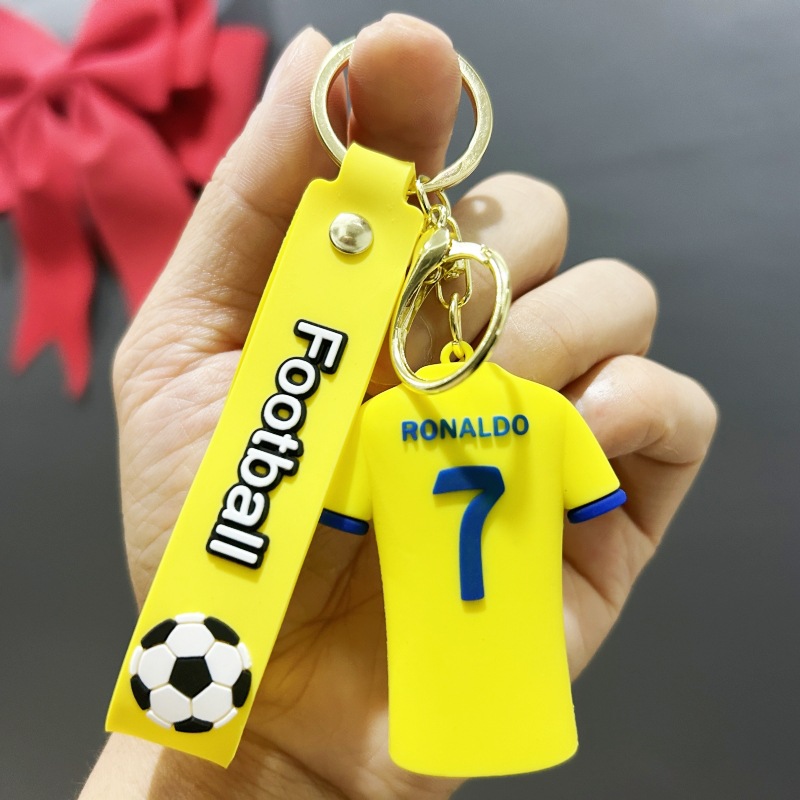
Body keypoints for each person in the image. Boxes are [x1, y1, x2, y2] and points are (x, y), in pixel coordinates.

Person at [79, 14, 716, 799]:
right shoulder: (546, 416)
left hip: (413, 699)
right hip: (481, 688)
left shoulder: (378, 424)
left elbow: (340, 522)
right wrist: (269, 761)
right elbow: (594, 505)